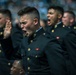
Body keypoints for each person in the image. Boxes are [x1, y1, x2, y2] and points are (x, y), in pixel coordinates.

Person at [16, 6, 69, 75]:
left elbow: (59, 71)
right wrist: (6, 39)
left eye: (24, 23)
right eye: (21, 23)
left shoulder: (48, 42)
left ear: (35, 21)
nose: (22, 26)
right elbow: (12, 56)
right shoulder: (25, 41)